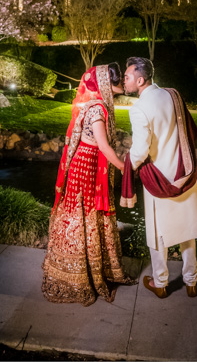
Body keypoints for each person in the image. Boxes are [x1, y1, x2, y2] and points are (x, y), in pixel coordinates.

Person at [41, 63, 134, 305]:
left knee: (86, 217)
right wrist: (125, 169)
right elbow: (103, 146)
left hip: (87, 165)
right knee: (84, 217)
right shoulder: (98, 109)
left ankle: (90, 269)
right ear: (106, 83)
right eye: (117, 80)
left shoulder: (96, 105)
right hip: (85, 169)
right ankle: (79, 276)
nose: (122, 84)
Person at [121, 56, 197, 298]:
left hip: (159, 178)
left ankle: (161, 283)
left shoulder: (139, 109)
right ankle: (191, 281)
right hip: (184, 173)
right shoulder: (173, 95)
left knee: (158, 233)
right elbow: (190, 131)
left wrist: (126, 163)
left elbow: (139, 151)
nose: (124, 81)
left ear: (139, 79)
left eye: (127, 77)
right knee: (187, 229)